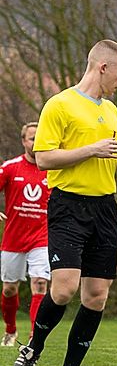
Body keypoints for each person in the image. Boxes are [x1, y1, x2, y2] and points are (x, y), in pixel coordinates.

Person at [13, 40, 117, 366]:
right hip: (68, 205)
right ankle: (32, 350)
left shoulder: (112, 111)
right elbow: (44, 158)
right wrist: (91, 150)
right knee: (63, 289)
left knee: (96, 296)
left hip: (104, 208)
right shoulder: (60, 104)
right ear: (102, 67)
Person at [1, 123, 50, 346]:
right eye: (32, 138)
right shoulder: (11, 168)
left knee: (40, 283)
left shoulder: (53, 170)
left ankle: (34, 338)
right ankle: (10, 330)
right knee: (9, 289)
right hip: (13, 238)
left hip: (42, 238)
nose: (36, 143)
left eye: (40, 138)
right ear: (23, 141)